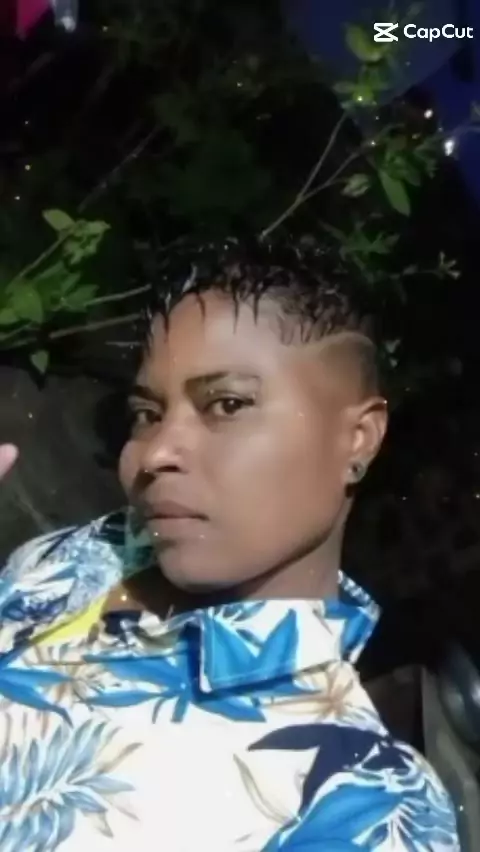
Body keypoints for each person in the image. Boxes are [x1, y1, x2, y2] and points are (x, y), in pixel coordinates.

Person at [0, 239, 459, 851]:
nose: (157, 453)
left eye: (228, 404)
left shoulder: (358, 805)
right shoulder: (79, 555)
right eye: (146, 414)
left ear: (359, 439)